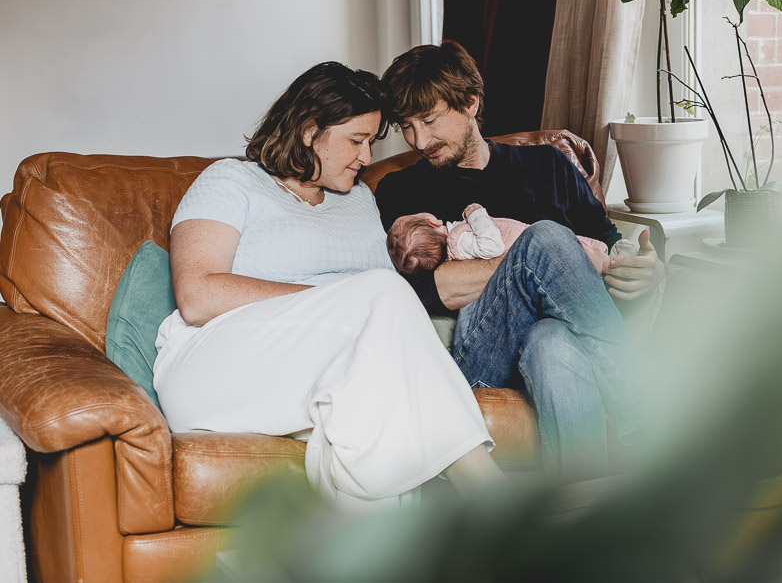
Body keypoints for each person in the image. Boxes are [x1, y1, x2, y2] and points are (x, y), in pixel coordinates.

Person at [152, 61, 502, 512]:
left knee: (370, 417)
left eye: (371, 143)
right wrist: (339, 304)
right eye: (356, 140)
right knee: (381, 294)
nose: (366, 158)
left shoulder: (358, 201)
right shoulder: (230, 181)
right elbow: (198, 297)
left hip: (312, 373)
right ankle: (490, 494)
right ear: (308, 130)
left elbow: (381, 324)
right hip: (214, 366)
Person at [377, 41, 665, 481]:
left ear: (470, 103)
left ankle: (582, 522)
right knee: (546, 238)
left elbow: (606, 243)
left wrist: (645, 270)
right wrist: (535, 259)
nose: (419, 140)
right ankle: (648, 414)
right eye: (407, 126)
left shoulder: (548, 165)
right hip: (477, 358)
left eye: (429, 120)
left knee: (553, 342)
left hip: (563, 340)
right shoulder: (401, 191)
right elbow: (415, 293)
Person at [386, 203, 636, 275]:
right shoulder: (458, 240)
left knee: (573, 242)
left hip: (527, 239)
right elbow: (491, 245)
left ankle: (611, 255)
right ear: (431, 220)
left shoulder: (456, 243)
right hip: (525, 244)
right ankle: (608, 264)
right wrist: (476, 214)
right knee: (570, 251)